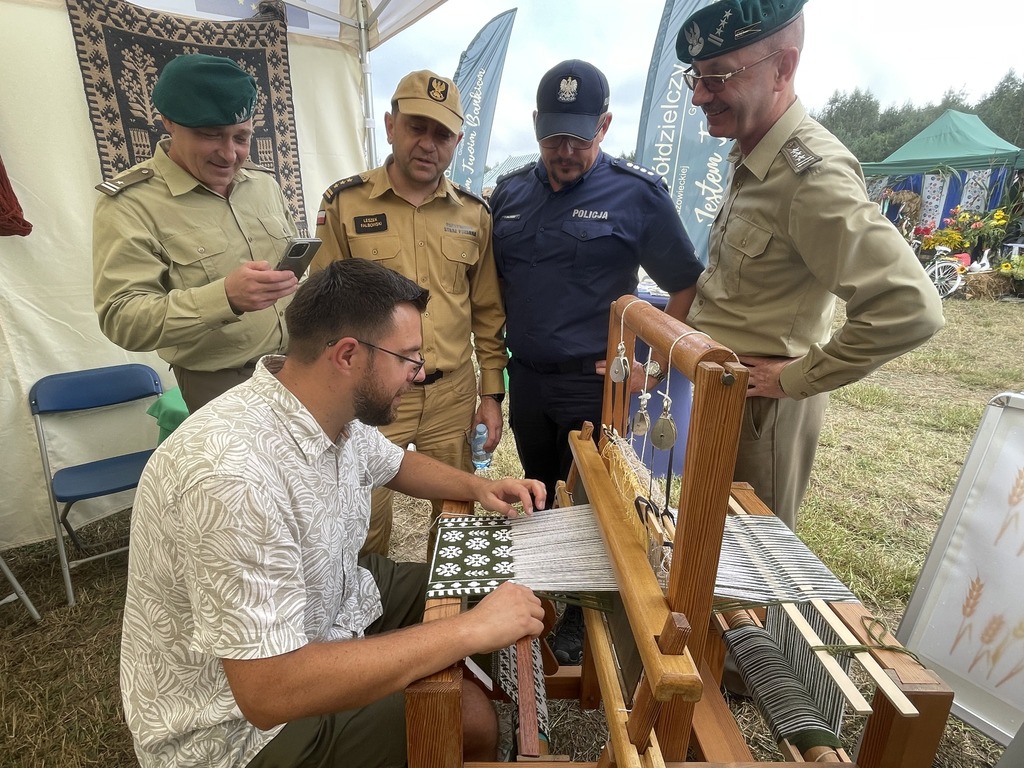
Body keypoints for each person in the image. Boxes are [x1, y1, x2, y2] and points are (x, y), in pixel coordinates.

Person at [119, 258, 547, 768]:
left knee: (492, 581)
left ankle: (492, 695)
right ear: (347, 355)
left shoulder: (322, 406)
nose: (419, 373)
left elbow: (393, 463)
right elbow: (268, 691)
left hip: (334, 603)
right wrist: (467, 631)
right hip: (238, 731)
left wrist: (479, 486)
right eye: (408, 357)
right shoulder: (232, 477)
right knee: (468, 718)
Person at [676, 0, 944, 531]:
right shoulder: (753, 156)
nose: (700, 95)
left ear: (783, 68)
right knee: (706, 543)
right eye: (696, 78)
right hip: (724, 393)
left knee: (751, 557)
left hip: (760, 411)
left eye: (719, 77)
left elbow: (910, 308)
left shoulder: (811, 175)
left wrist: (796, 378)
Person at [489, 59, 704, 666]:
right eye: (554, 137)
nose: (565, 151)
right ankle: (544, 591)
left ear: (605, 126)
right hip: (528, 380)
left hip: (595, 385)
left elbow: (684, 284)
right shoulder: (510, 193)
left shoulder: (636, 196)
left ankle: (584, 619)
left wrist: (652, 369)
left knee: (592, 503)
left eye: (579, 139)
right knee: (539, 488)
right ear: (536, 124)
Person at [312, 70, 506, 558]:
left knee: (457, 517)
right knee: (361, 522)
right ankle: (366, 604)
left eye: (442, 134)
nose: (428, 144)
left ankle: (451, 602)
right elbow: (325, 309)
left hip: (450, 395)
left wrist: (491, 395)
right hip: (372, 393)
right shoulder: (345, 203)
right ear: (390, 125)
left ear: (456, 142)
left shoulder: (473, 214)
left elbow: (487, 311)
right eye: (417, 127)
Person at [93, 53, 300, 414]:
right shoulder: (130, 204)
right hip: (223, 385)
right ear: (168, 122)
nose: (229, 154)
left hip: (299, 365)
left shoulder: (263, 185)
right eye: (210, 135)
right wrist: (224, 297)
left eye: (241, 137)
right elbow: (122, 318)